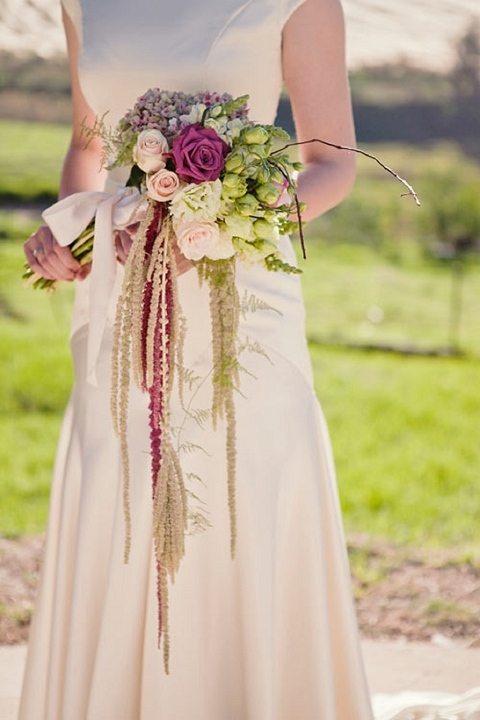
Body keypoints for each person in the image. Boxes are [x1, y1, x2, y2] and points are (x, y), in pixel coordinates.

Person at [17, 1, 480, 718]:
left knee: (241, 497)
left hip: (242, 300)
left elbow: (331, 167)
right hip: (119, 299)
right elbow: (88, 144)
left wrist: (214, 226)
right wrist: (68, 232)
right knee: (123, 502)